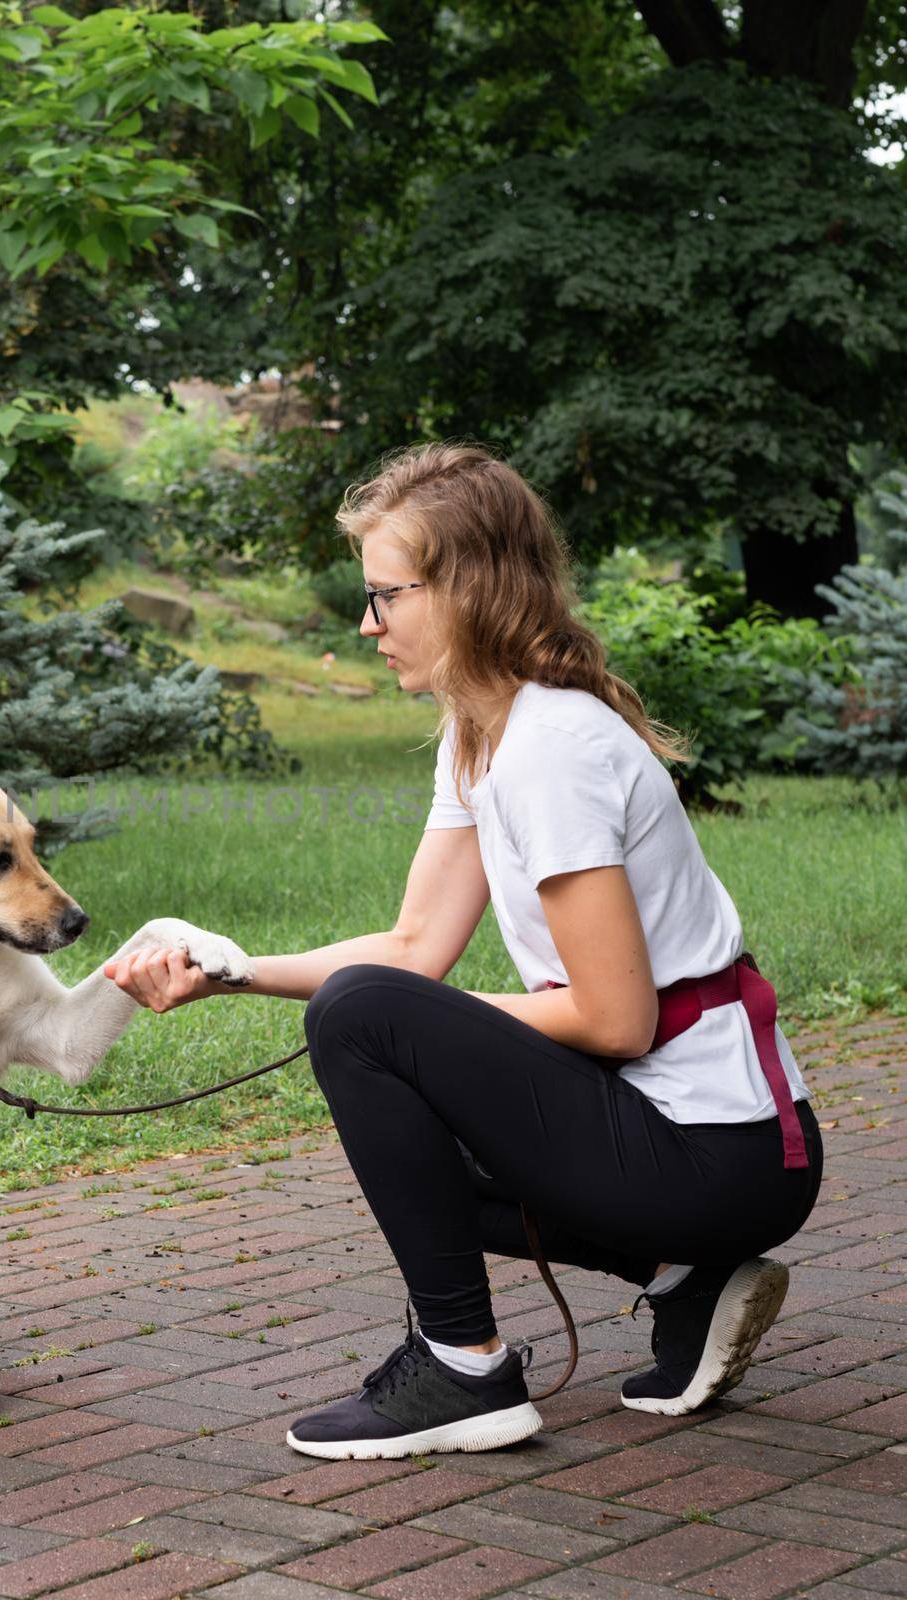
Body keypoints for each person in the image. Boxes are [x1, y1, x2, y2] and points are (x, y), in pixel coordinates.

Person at [102, 442, 823, 1460]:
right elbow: (412, 944)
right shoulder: (480, 734)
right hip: (680, 1144)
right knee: (381, 1031)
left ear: (465, 591)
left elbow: (611, 1017)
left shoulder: (549, 750)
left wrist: (427, 1036)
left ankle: (462, 1366)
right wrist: (232, 968)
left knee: (364, 1018)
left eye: (384, 596)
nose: (367, 624)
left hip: (723, 1156)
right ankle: (683, 1278)